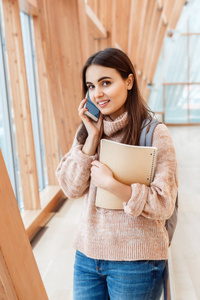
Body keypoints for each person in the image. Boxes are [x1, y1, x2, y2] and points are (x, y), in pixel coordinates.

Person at [56, 48, 178, 300]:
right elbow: (70, 188)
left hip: (137, 261)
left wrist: (113, 186)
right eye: (91, 86)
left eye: (106, 83)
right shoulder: (88, 132)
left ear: (129, 81)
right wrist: (91, 140)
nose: (97, 93)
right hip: (87, 257)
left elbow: (165, 203)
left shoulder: (155, 133)